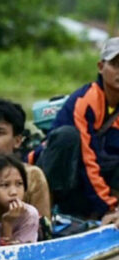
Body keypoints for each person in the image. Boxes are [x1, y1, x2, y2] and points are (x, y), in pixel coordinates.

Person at [37, 37, 119, 221]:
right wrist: (109, 206)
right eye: (115, 65)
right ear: (100, 67)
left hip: (90, 183)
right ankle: (47, 216)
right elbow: (88, 159)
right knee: (68, 136)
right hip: (64, 174)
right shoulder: (85, 101)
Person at [0, 154, 39, 245]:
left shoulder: (29, 215)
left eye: (19, 184)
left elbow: (15, 255)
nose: (14, 192)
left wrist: (8, 224)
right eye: (5, 185)